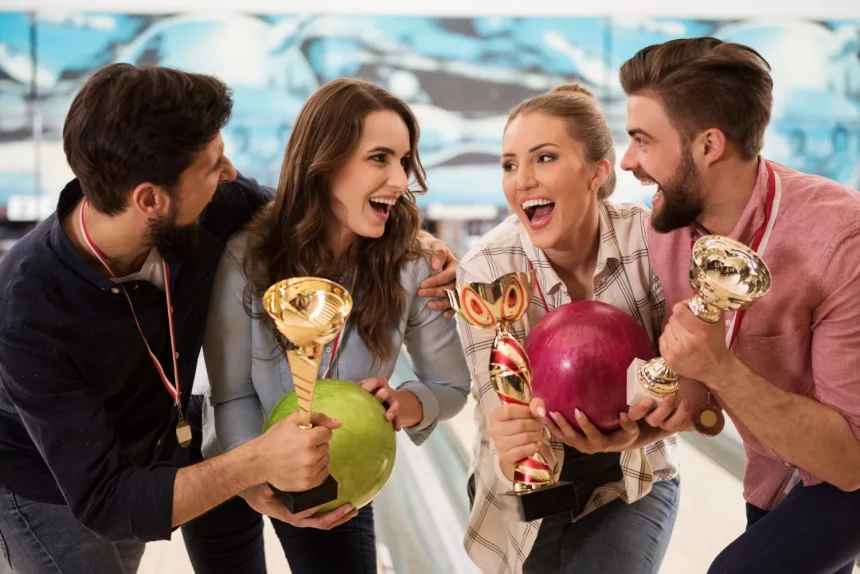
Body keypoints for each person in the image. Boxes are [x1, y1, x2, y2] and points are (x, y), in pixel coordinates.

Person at [0, 64, 459, 574]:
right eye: (213, 165)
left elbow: (302, 217)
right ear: (151, 200)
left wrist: (415, 244)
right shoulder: (25, 311)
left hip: (142, 451)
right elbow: (108, 502)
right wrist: (254, 464)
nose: (231, 175)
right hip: (44, 477)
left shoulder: (211, 209)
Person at [196, 78, 472, 574]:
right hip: (231, 455)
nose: (399, 179)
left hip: (333, 469)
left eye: (404, 161)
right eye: (379, 158)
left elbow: (451, 385)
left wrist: (404, 404)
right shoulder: (248, 257)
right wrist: (251, 476)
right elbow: (233, 394)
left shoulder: (415, 264)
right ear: (325, 163)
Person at [619, 37, 860, 574]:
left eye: (642, 140)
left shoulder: (841, 239)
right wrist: (667, 408)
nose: (627, 160)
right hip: (774, 468)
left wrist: (715, 368)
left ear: (708, 146)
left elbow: (849, 461)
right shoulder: (670, 230)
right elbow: (701, 385)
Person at [455, 84, 680, 574]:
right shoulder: (485, 269)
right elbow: (498, 400)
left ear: (599, 171)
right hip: (526, 479)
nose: (522, 180)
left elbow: (687, 378)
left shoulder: (652, 240)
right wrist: (513, 435)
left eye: (545, 158)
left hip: (633, 470)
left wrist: (638, 429)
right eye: (510, 165)